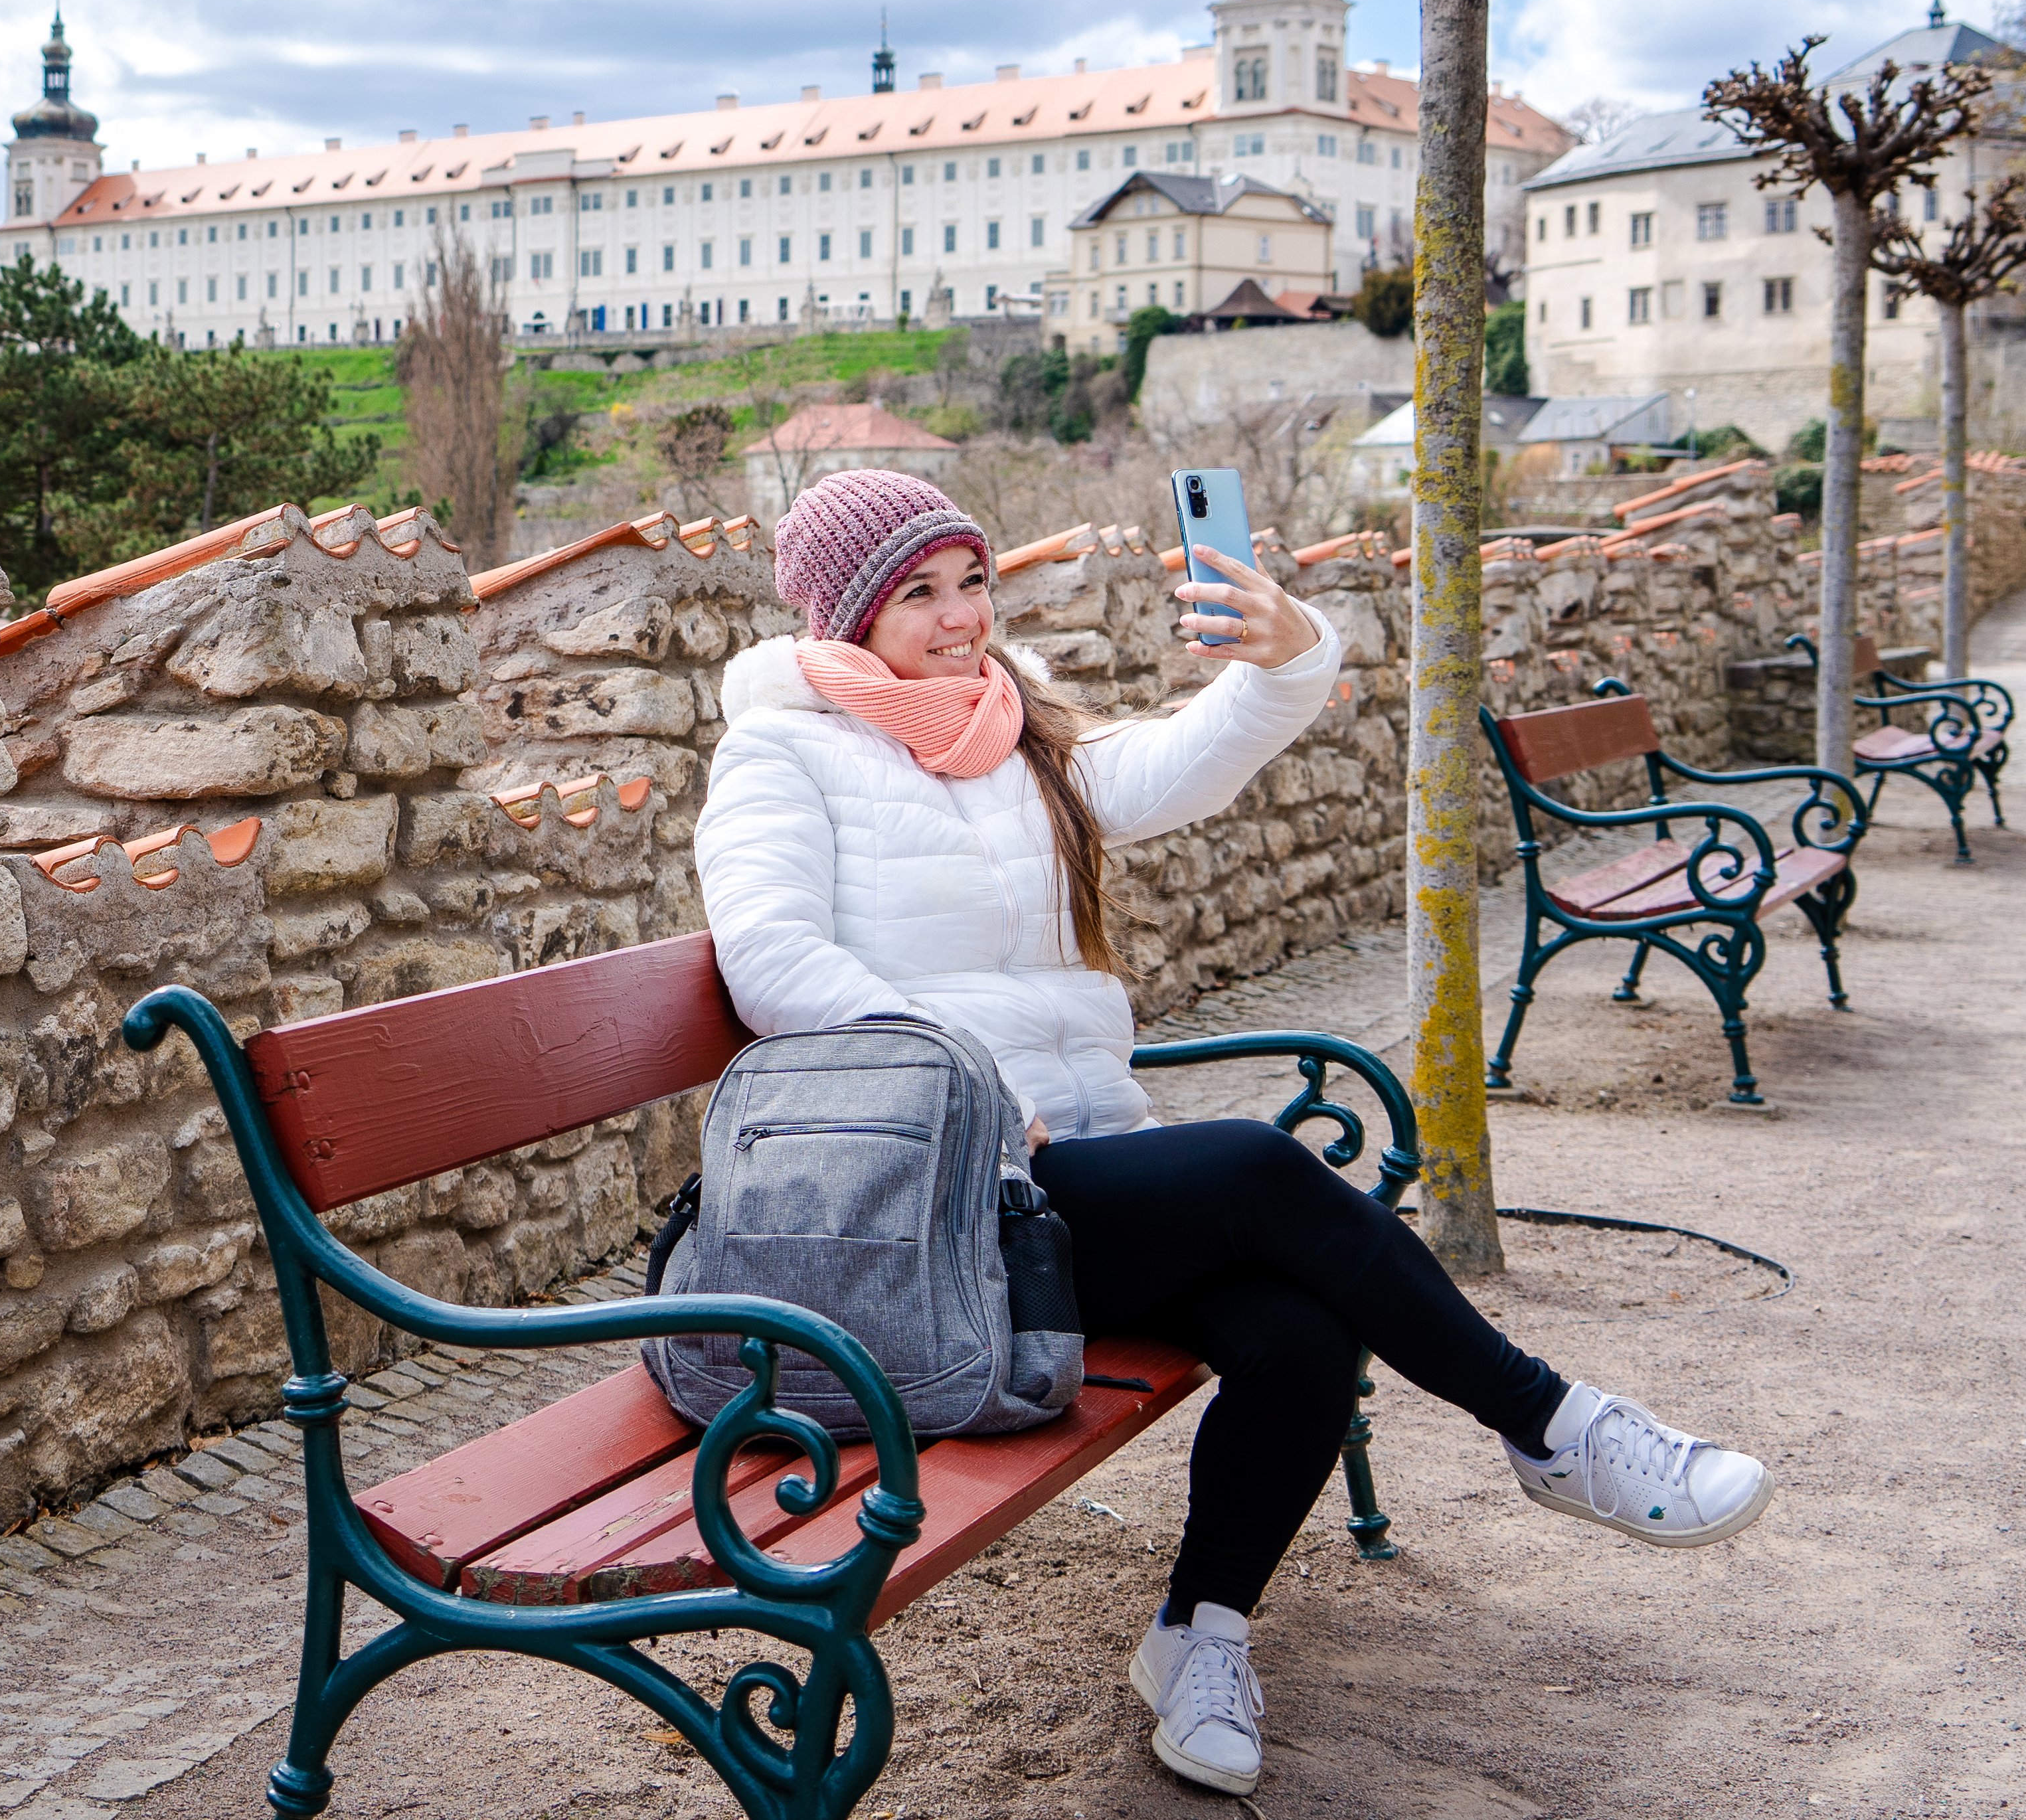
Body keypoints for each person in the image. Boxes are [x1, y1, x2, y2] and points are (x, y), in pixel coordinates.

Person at [697, 469, 1771, 1799]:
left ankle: (1196, 1635)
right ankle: (1554, 1425)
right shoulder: (780, 751)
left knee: (1295, 1328)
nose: (959, 614)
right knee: (1263, 1168)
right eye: (916, 592)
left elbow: (1177, 763)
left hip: (1064, 1180)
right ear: (847, 612)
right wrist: (960, 1077)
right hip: (928, 1209)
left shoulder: (1005, 731)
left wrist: (1284, 657)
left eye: (970, 579)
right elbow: (767, 955)